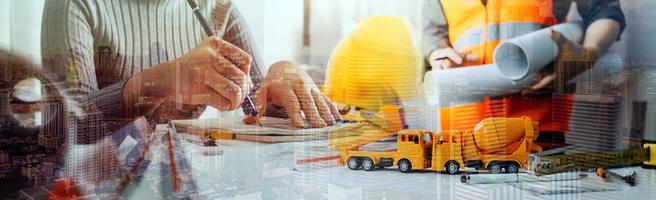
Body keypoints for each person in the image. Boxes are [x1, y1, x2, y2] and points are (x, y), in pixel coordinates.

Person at [41, 0, 342, 142]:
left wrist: (285, 72)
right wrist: (162, 81)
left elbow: (259, 100)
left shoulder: (216, 7)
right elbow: (64, 127)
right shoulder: (73, 5)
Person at [421, 0, 626, 133]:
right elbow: (433, 32)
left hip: (535, 133)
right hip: (461, 134)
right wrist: (437, 53)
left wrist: (589, 52)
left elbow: (604, 10)